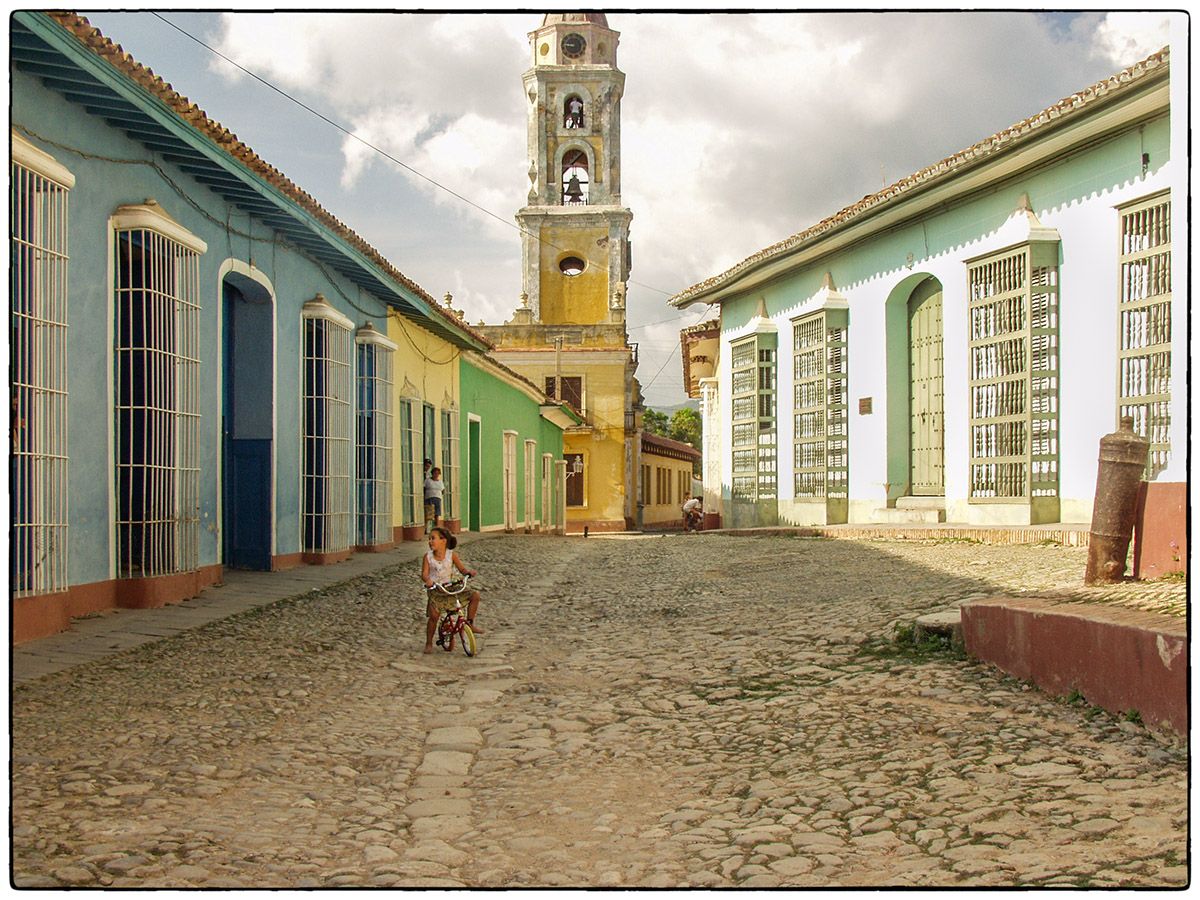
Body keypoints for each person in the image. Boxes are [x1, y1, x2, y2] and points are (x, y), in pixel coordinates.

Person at [422, 527, 482, 653]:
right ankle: (428, 642)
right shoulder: (428, 557)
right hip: (436, 589)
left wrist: (468, 572)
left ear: (443, 541)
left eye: (433, 538)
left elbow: (462, 569)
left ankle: (470, 622)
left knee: (474, 595)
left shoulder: (451, 555)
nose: (430, 541)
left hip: (450, 587)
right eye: (429, 539)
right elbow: (424, 574)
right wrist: (427, 581)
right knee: (434, 616)